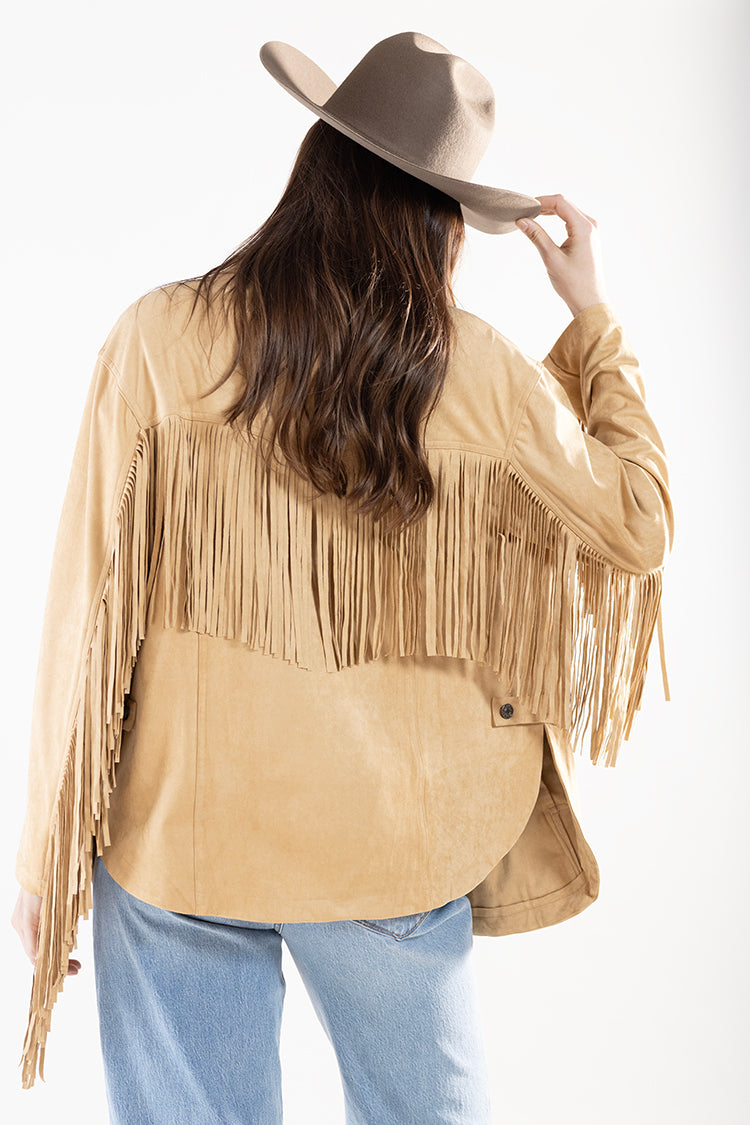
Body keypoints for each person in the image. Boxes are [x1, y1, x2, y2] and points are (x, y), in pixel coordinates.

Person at [11, 31, 673, 1124]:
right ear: (442, 216)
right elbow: (639, 522)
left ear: (315, 166)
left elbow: (84, 611)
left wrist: (45, 858)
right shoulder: (480, 370)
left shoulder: (159, 338)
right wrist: (593, 320)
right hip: (392, 850)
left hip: (181, 837)